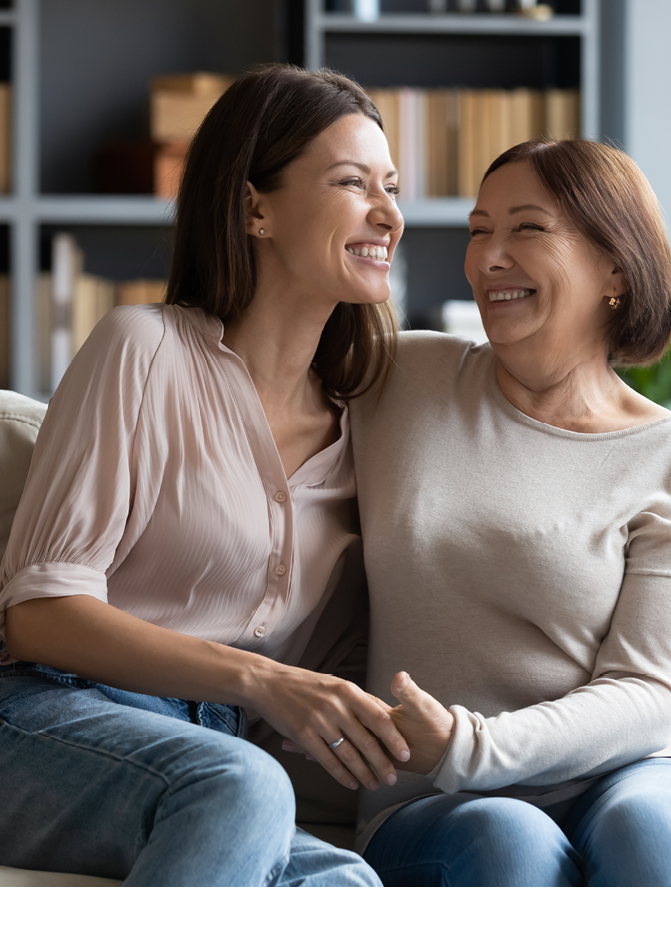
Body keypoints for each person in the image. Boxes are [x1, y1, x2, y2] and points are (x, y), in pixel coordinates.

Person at [0, 64, 409, 886]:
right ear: (255, 207)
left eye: (391, 187)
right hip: (46, 712)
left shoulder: (372, 421)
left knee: (349, 888)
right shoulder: (142, 349)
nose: (389, 214)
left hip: (207, 749)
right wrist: (266, 681)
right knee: (241, 783)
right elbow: (39, 615)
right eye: (351, 182)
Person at [346, 139, 671, 886]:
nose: (488, 258)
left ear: (616, 269)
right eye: (478, 230)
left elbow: (648, 693)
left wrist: (470, 742)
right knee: (508, 839)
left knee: (648, 829)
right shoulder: (400, 377)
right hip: (436, 792)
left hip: (640, 771)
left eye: (527, 229)